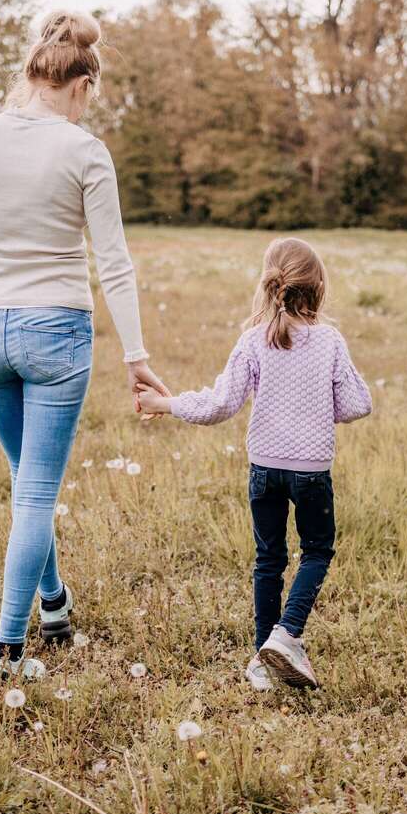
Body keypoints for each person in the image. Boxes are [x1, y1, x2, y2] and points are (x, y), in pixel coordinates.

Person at [0, 9, 168, 679]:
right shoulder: (83, 149)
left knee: (24, 481)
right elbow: (114, 261)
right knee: (36, 491)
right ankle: (10, 654)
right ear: (82, 84)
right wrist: (135, 356)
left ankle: (54, 604)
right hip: (54, 332)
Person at [137, 237, 372, 691]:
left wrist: (164, 403)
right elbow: (358, 402)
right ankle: (286, 636)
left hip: (264, 470)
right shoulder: (329, 341)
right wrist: (320, 407)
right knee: (317, 550)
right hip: (311, 472)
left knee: (269, 559)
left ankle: (262, 662)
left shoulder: (253, 342)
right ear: (318, 287)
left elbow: (220, 405)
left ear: (269, 285)